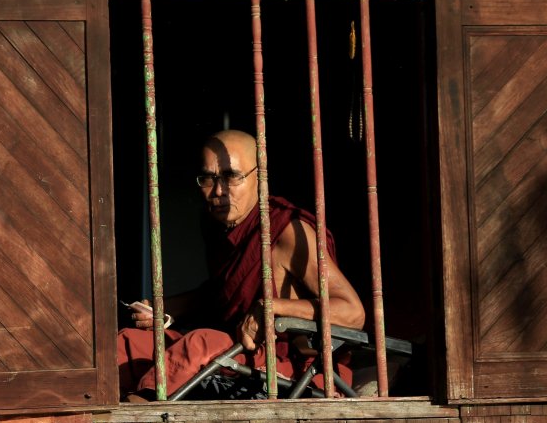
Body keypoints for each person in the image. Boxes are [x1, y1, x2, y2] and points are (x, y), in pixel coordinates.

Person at [117, 129, 365, 401]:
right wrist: (164, 309)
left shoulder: (288, 231)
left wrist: (272, 308)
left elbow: (352, 312)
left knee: (200, 342)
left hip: (288, 365)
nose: (218, 191)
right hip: (238, 352)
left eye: (231, 177)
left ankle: (141, 414)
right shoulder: (221, 229)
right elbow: (223, 291)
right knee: (130, 342)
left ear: (260, 176)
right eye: (207, 179)